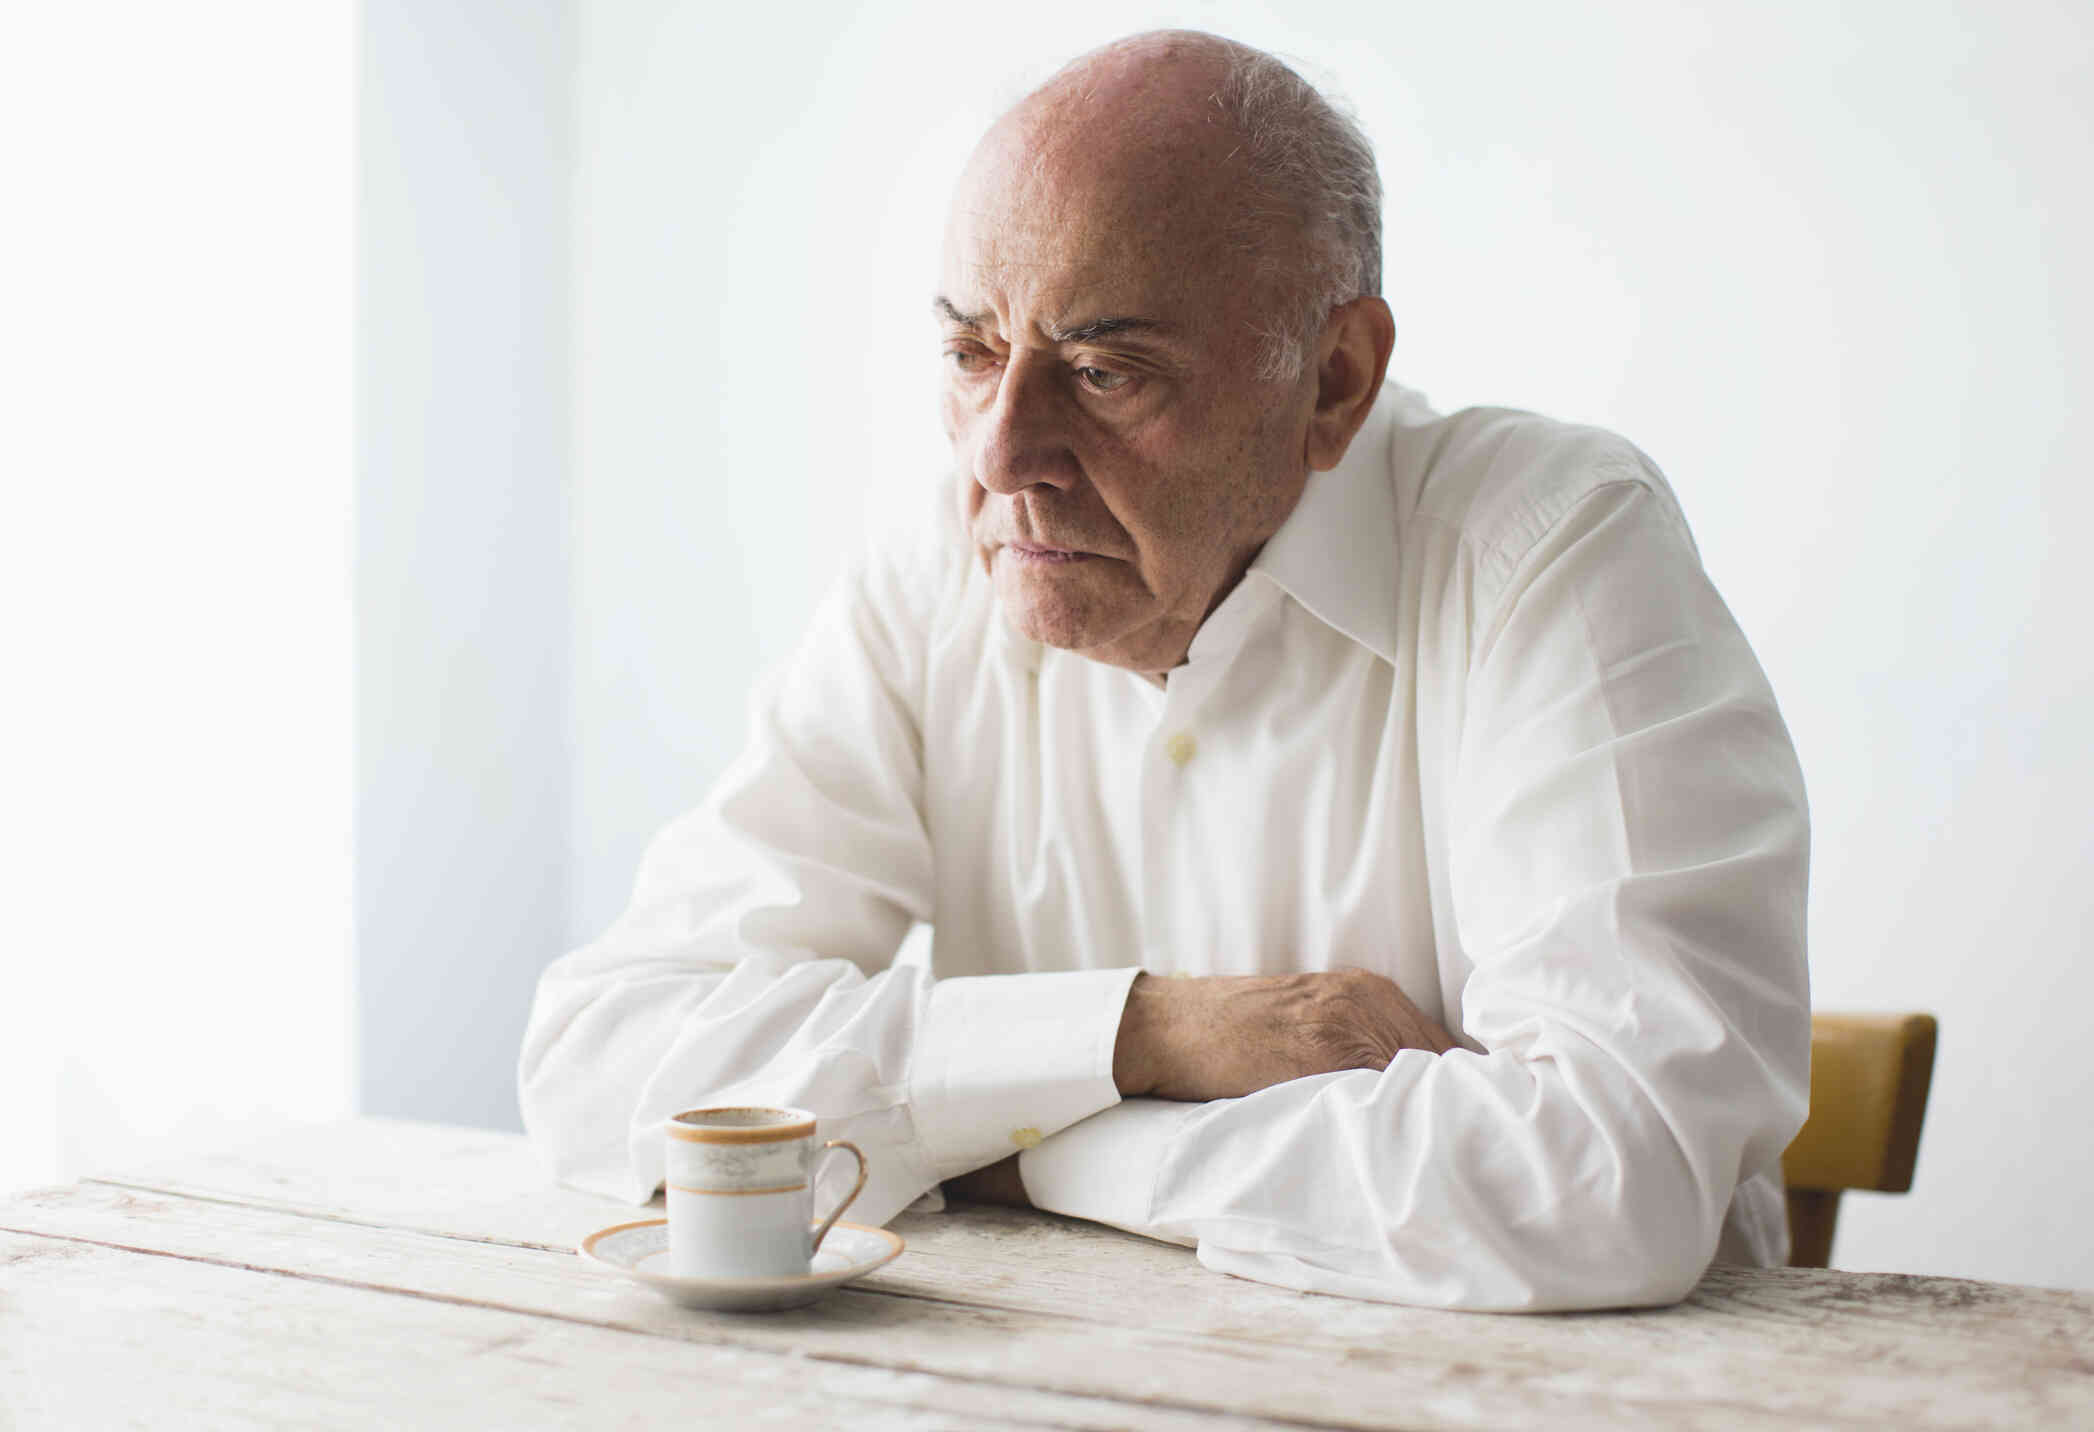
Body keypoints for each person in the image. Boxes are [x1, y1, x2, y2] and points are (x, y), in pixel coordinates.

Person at [519, 28, 1811, 1312]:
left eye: (1101, 370)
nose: (1001, 453)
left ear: (1335, 379)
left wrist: (1016, 1148)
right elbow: (598, 1063)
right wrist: (1148, 1032)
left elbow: (1599, 1182)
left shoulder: (1549, 546)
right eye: (972, 354)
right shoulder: (938, 574)